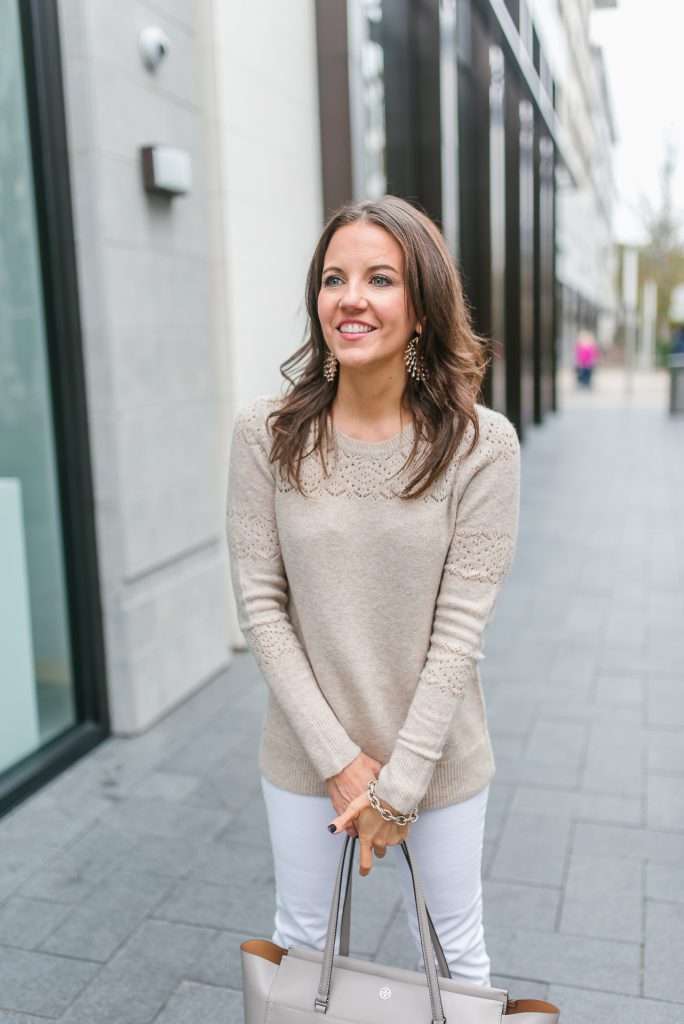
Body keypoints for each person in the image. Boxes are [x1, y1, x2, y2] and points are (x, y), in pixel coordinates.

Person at [226, 196, 520, 986]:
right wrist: (340, 762)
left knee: (457, 962)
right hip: (303, 754)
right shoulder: (268, 433)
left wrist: (401, 782)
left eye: (379, 278)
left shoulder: (481, 447)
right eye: (334, 278)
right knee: (301, 951)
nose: (350, 298)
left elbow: (460, 632)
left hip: (439, 758)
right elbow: (262, 606)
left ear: (421, 308)